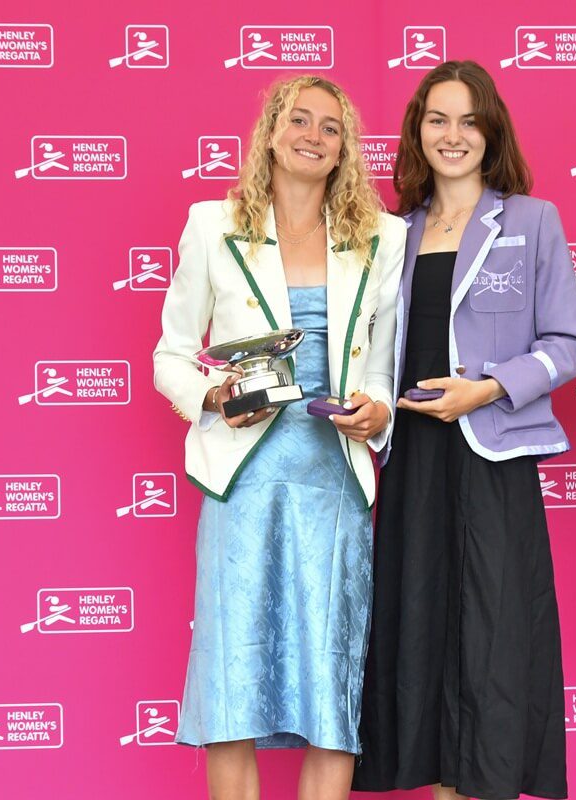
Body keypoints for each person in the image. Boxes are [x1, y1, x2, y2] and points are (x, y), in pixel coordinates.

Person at [153, 74, 406, 800]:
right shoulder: (211, 225)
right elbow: (171, 355)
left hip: (335, 480)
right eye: (299, 120)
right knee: (232, 687)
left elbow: (382, 367)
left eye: (330, 127)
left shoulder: (382, 237)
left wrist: (377, 410)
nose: (313, 136)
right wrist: (214, 396)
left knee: (331, 689)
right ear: (270, 132)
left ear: (344, 148)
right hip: (243, 480)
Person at [354, 60, 576, 800]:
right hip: (412, 461)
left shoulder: (532, 220)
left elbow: (570, 344)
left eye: (468, 120)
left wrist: (487, 389)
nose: (452, 135)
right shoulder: (390, 233)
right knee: (419, 633)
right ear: (417, 131)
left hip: (492, 456)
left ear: (491, 131)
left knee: (492, 638)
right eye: (438, 119)